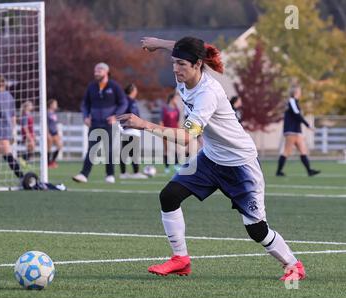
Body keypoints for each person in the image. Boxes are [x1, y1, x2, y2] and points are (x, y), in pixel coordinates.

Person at [117, 36, 306, 282]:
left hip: (240, 165)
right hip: (210, 158)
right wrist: (159, 44)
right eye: (174, 63)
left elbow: (186, 138)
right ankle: (180, 260)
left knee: (256, 229)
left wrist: (143, 124)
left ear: (197, 64)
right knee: (169, 195)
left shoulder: (209, 93)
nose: (175, 68)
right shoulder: (183, 76)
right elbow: (186, 47)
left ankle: (294, 265)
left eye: (181, 64)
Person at [73, 62, 128, 184]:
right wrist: (85, 116)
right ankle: (83, 175)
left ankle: (110, 175)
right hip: (94, 123)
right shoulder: (91, 87)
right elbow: (85, 104)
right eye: (95, 70)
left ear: (106, 72)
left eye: (99, 70)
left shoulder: (114, 86)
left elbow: (123, 103)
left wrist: (116, 116)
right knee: (92, 149)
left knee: (109, 150)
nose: (96, 72)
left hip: (109, 124)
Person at [276, 85, 320, 177]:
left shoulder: (295, 102)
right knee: (287, 152)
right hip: (291, 131)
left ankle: (309, 171)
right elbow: (297, 115)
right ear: (295, 92)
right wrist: (308, 125)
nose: (300, 93)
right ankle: (278, 171)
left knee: (303, 151)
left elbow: (297, 115)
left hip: (297, 131)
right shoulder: (292, 101)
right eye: (299, 91)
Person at [119, 84, 147, 180]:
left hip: (132, 130)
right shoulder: (127, 101)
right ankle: (134, 172)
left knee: (128, 152)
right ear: (132, 91)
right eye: (135, 89)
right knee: (132, 152)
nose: (137, 91)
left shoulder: (132, 101)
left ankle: (124, 173)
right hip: (129, 130)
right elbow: (121, 113)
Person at [161, 92, 181, 174]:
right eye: (176, 98)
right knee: (166, 149)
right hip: (166, 131)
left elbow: (177, 122)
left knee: (177, 148)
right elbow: (161, 121)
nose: (177, 100)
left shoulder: (177, 110)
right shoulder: (165, 109)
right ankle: (167, 167)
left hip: (175, 131)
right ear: (172, 99)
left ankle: (176, 165)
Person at [47, 99, 63, 169]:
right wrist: (47, 133)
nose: (56, 106)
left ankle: (52, 161)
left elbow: (55, 124)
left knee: (59, 146)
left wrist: (58, 133)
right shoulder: (47, 113)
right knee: (48, 148)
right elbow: (46, 124)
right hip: (49, 133)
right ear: (51, 105)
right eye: (55, 104)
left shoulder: (54, 114)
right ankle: (48, 163)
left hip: (54, 133)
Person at [20, 101, 35, 166]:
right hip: (27, 134)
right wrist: (28, 135)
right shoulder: (25, 115)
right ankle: (23, 159)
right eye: (30, 105)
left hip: (31, 133)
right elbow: (25, 126)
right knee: (31, 146)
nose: (32, 106)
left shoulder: (29, 114)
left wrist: (33, 134)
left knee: (31, 148)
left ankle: (25, 160)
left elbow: (31, 126)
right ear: (26, 107)